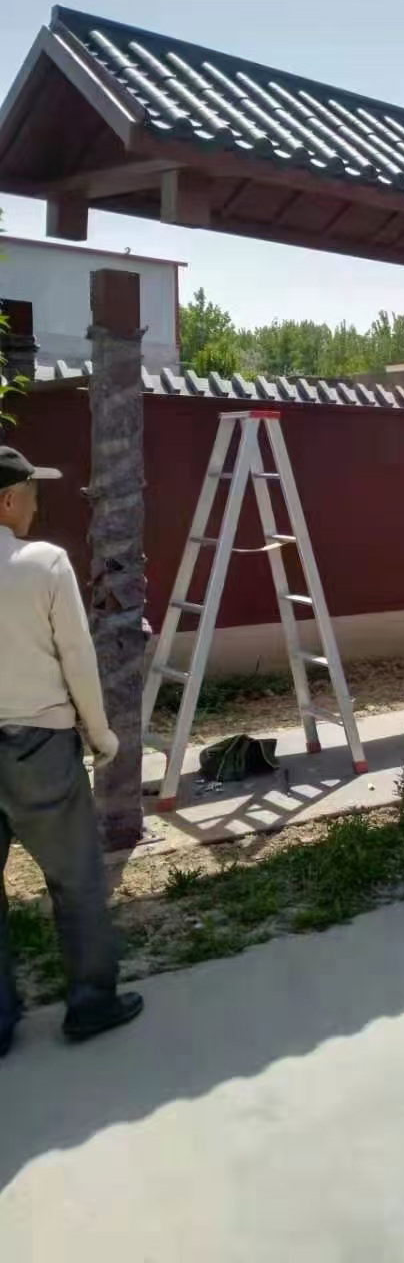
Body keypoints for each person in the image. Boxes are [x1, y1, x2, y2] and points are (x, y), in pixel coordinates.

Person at [0, 445, 143, 1058]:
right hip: (37, 746)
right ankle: (90, 1003)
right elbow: (78, 661)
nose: (37, 503)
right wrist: (100, 734)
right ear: (7, 500)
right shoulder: (45, 565)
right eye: (32, 492)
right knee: (77, 881)